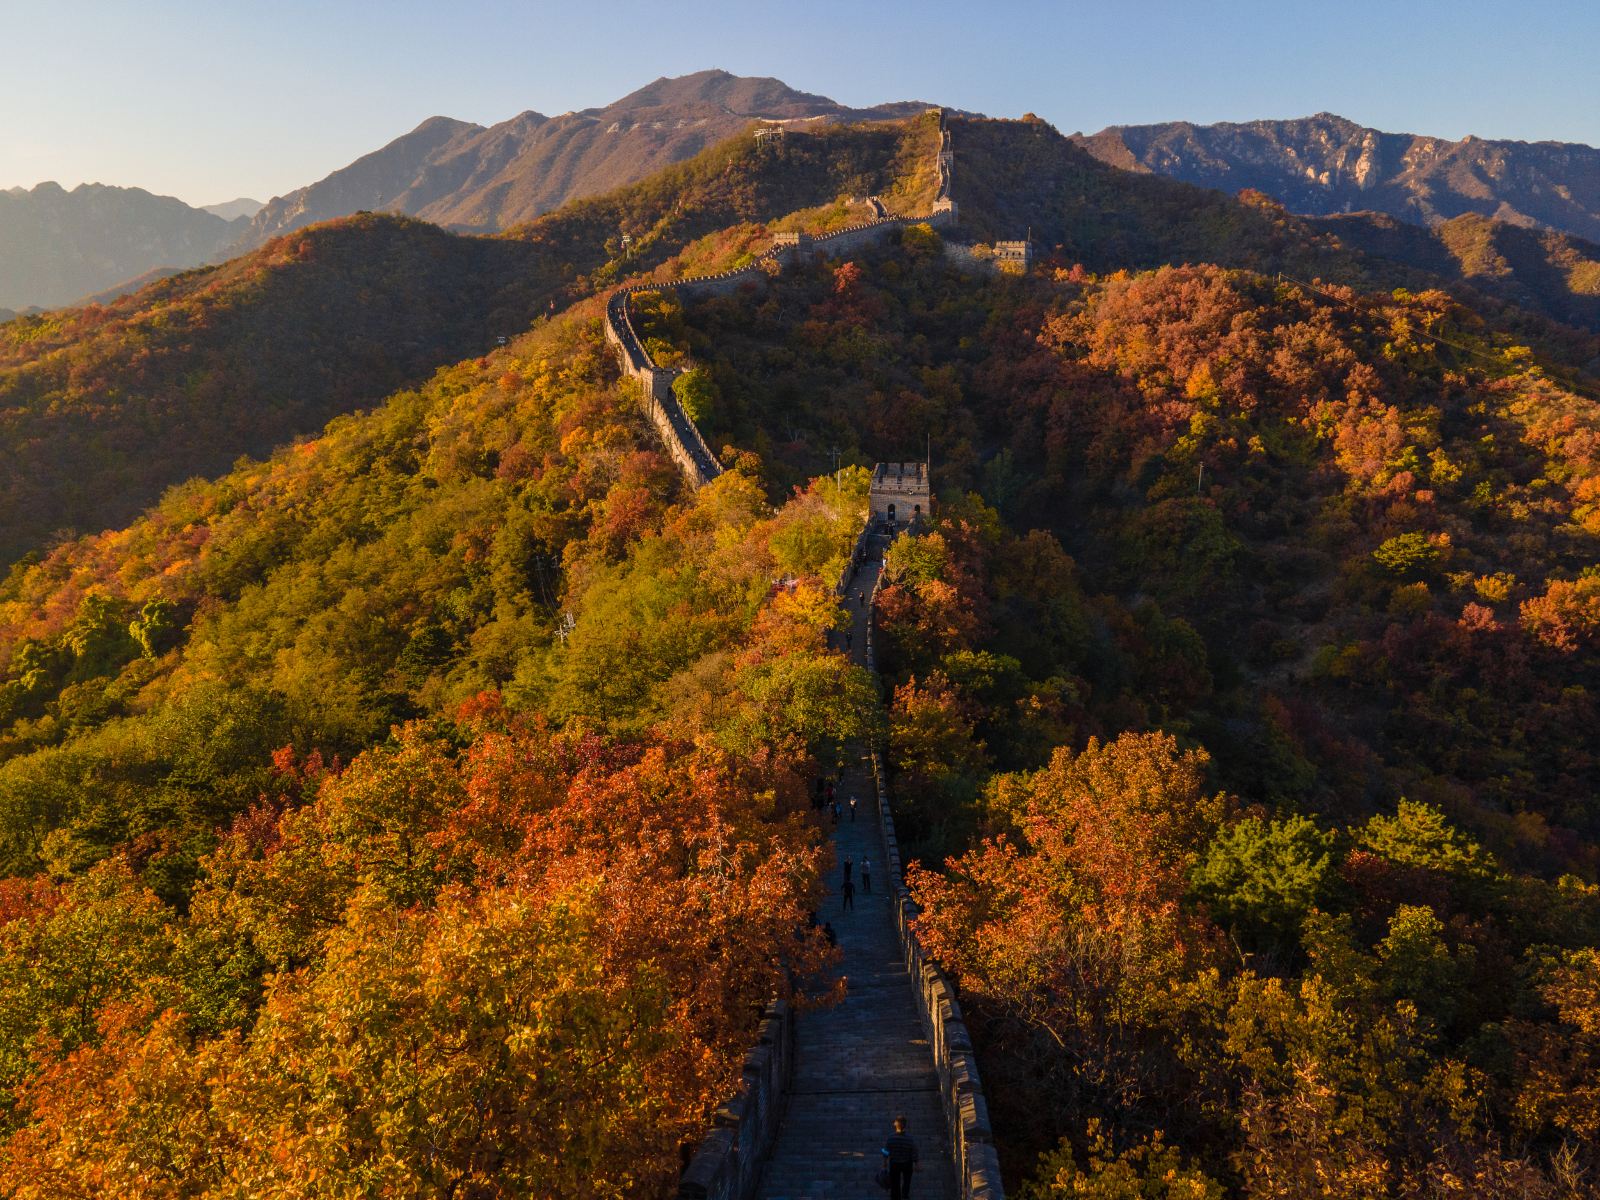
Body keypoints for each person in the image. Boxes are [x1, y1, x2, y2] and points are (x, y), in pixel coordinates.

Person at [882, 1116, 918, 1199]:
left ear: (895, 1124)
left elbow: (886, 1151)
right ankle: (905, 1195)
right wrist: (916, 1162)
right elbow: (914, 1151)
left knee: (895, 1183)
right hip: (907, 1163)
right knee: (907, 1182)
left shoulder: (891, 1138)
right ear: (905, 1125)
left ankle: (895, 1197)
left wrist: (884, 1162)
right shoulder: (910, 1138)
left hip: (894, 1163)